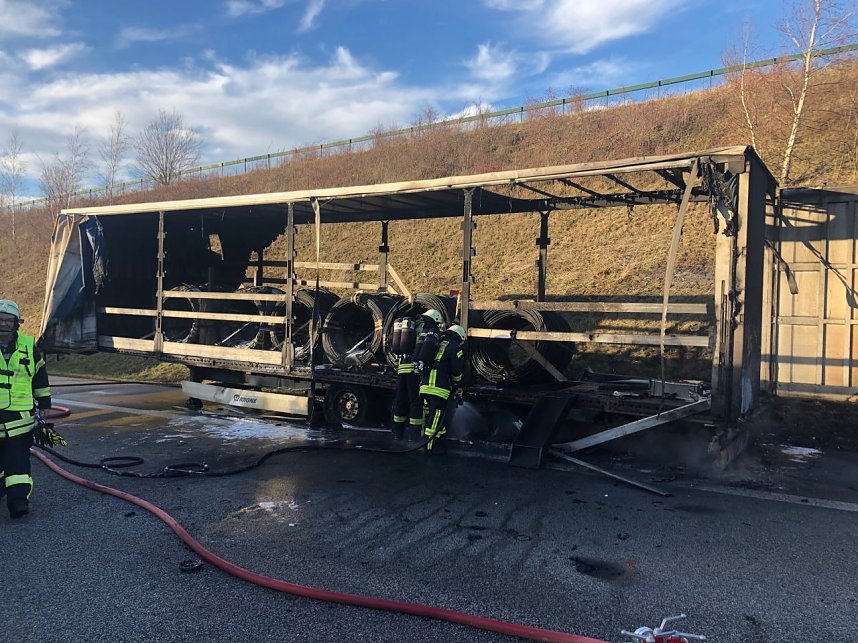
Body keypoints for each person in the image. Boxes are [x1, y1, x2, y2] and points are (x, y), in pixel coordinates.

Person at [0, 300, 52, 519]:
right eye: (0, 320)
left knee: (18, 463)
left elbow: (40, 377)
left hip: (19, 419)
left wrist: (45, 406)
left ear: (16, 323)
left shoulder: (29, 346)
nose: (4, 324)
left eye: (8, 320)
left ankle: (18, 501)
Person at [391, 309, 443, 440]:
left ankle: (397, 433)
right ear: (436, 319)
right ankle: (414, 436)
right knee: (416, 403)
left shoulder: (412, 325)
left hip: (402, 368)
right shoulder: (429, 328)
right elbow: (429, 349)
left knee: (400, 400)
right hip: (414, 370)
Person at [419, 323, 466, 452]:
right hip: (438, 389)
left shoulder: (436, 341)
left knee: (430, 417)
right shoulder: (455, 347)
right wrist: (457, 384)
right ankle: (429, 448)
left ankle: (437, 442)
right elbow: (457, 371)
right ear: (460, 337)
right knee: (435, 418)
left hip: (424, 386)